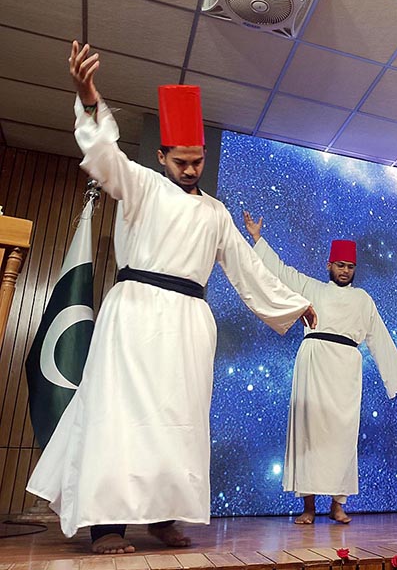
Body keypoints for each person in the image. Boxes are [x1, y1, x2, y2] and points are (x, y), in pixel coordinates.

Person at [26, 41, 317, 555]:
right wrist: (90, 99)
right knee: (120, 414)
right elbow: (103, 156)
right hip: (135, 314)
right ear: (161, 156)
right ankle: (108, 526)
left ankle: (162, 517)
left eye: (198, 160)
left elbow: (248, 272)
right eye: (181, 160)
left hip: (188, 322)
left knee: (177, 420)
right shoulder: (140, 186)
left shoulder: (216, 212)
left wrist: (295, 306)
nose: (190, 169)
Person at [243, 212, 397, 524]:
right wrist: (257, 238)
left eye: (350, 267)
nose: (345, 271)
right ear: (329, 265)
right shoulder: (313, 289)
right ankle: (308, 507)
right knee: (309, 433)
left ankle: (337, 504)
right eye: (340, 265)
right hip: (314, 362)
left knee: (342, 436)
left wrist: (395, 380)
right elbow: (280, 272)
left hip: (346, 368)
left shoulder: (363, 299)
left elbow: (379, 337)